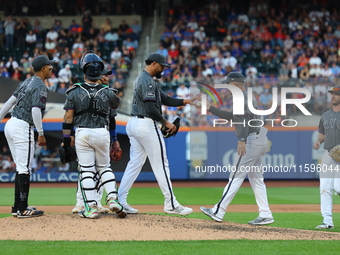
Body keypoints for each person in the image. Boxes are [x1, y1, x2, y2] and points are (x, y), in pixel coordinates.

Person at [118, 52, 194, 215]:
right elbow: (151, 108)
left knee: (135, 163)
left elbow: (164, 99)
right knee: (161, 164)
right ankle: (171, 203)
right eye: (162, 66)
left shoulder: (143, 79)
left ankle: (120, 200)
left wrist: (184, 101)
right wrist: (165, 122)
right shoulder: (148, 81)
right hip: (146, 125)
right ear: (153, 64)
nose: (163, 69)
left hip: (134, 124)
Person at [198, 72, 274, 225]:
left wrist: (242, 139)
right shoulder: (248, 96)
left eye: (228, 84)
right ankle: (265, 214)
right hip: (260, 137)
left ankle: (218, 211)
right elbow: (235, 117)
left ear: (234, 84)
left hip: (251, 138)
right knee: (257, 179)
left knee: (235, 177)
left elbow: (244, 120)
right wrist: (211, 108)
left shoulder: (242, 97)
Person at [62, 52, 125, 219]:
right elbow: (115, 105)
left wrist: (66, 139)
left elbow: (68, 118)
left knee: (87, 171)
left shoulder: (73, 91)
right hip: (102, 132)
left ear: (84, 71)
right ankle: (113, 200)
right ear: (100, 72)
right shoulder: (109, 92)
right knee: (105, 168)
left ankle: (90, 208)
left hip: (82, 132)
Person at [0, 55, 55, 218]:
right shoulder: (40, 85)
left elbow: (9, 103)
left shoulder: (26, 82)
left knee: (20, 167)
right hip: (23, 126)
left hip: (10, 124)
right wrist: (41, 133)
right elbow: (35, 110)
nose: (51, 68)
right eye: (49, 66)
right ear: (43, 68)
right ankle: (22, 209)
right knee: (24, 168)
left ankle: (18, 207)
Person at [313, 85, 340, 229]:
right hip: (328, 153)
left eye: (336, 94)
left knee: (338, 187)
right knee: (324, 186)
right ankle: (327, 221)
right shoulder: (326, 115)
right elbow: (322, 134)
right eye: (332, 94)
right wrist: (318, 141)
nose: (333, 96)